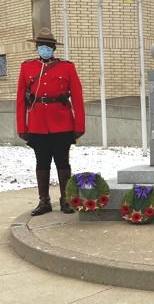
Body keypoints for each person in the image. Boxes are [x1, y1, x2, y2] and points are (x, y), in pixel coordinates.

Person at [16, 28, 85, 216]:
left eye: (47, 46)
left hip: (62, 123)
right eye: (41, 46)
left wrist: (79, 125)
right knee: (42, 162)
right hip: (38, 124)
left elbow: (77, 97)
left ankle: (66, 199)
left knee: (63, 161)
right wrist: (22, 126)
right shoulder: (27, 67)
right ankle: (44, 201)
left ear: (54, 48)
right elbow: (21, 99)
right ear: (37, 48)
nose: (44, 49)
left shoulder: (67, 67)